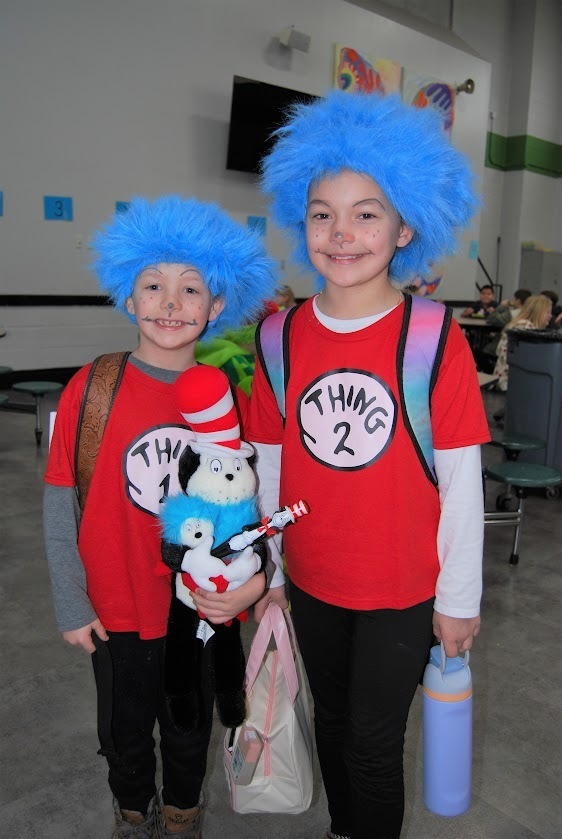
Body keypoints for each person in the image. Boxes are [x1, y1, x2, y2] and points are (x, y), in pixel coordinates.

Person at [239, 91, 491, 839]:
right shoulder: (278, 338)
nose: (342, 233)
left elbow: (462, 482)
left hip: (405, 589)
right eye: (323, 213)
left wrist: (460, 597)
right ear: (301, 221)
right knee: (335, 719)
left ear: (405, 225)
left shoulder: (434, 336)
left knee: (376, 745)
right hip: (313, 577)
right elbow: (272, 468)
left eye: (367, 213)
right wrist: (273, 574)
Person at [43, 195, 277, 839]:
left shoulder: (227, 399)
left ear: (216, 305)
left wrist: (251, 585)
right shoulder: (92, 387)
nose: (170, 304)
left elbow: (250, 510)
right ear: (128, 297)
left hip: (195, 608)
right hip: (113, 604)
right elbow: (61, 497)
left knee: (188, 724)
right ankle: (131, 807)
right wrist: (70, 599)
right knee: (122, 729)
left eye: (190, 289)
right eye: (153, 286)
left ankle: (181, 810)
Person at [493, 293, 553, 391]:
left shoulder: (518, 325)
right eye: (548, 312)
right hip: (511, 384)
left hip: (503, 380)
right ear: (538, 312)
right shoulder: (527, 330)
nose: (550, 316)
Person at [476, 288, 532, 371]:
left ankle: (489, 374)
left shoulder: (513, 313)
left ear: (518, 301)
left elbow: (491, 319)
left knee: (480, 353)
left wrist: (502, 306)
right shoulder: (530, 313)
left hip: (504, 346)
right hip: (520, 349)